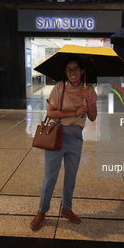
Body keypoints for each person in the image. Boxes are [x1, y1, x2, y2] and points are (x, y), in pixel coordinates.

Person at [30, 56, 97, 231]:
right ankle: (42, 211)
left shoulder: (88, 89)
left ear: (82, 71)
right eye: (68, 69)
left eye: (75, 69)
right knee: (50, 176)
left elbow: (93, 117)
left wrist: (87, 100)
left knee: (71, 176)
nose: (72, 72)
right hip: (57, 134)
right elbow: (51, 113)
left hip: (76, 137)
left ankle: (66, 208)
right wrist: (74, 112)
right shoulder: (60, 87)